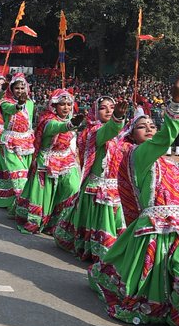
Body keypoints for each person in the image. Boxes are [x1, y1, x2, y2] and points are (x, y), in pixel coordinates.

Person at [88, 71, 179, 326]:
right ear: (132, 135)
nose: (150, 128)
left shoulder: (165, 160)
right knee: (169, 276)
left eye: (152, 124)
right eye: (143, 127)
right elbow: (167, 136)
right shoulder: (139, 155)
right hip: (160, 227)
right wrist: (177, 102)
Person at [54, 96, 129, 262]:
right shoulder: (94, 132)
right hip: (98, 189)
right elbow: (109, 130)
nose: (109, 110)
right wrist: (117, 118)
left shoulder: (118, 133)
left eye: (112, 107)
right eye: (104, 107)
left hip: (114, 187)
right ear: (95, 111)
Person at [12, 88, 79, 234]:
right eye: (62, 104)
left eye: (69, 104)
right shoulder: (47, 121)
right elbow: (57, 127)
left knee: (72, 187)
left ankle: (57, 222)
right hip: (47, 160)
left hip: (66, 158)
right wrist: (70, 125)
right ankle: (39, 220)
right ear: (54, 106)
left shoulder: (70, 119)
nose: (66, 107)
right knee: (45, 193)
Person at [0, 74, 35, 209]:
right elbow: (11, 110)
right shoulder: (5, 103)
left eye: (22, 88)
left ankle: (13, 205)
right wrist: (19, 104)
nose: (20, 91)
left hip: (27, 142)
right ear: (11, 88)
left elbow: (30, 121)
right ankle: (22, 206)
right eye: (17, 88)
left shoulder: (30, 103)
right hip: (10, 143)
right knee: (18, 176)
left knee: (22, 176)